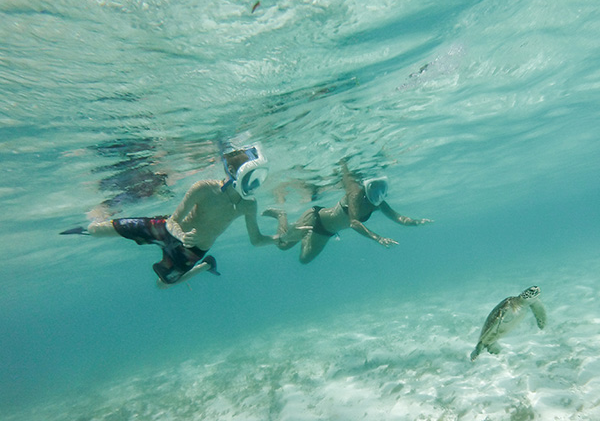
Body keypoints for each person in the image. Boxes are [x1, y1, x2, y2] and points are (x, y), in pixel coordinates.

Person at [60, 144, 277, 286]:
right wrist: (181, 236)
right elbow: (173, 221)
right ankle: (76, 230)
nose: (254, 186)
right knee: (97, 230)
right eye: (251, 179)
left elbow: (256, 240)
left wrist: (281, 238)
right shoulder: (203, 188)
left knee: (163, 284)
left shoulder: (248, 205)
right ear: (233, 172)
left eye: (258, 180)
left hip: (195, 249)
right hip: (166, 229)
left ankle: (206, 265)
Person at [263, 160, 433, 264]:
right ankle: (281, 215)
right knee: (283, 246)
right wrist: (378, 238)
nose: (378, 194)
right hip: (315, 219)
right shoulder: (355, 195)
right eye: (375, 188)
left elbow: (397, 217)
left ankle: (301, 233)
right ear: (367, 186)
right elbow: (354, 222)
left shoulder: (378, 202)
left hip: (327, 231)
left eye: (382, 189)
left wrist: (416, 222)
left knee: (303, 260)